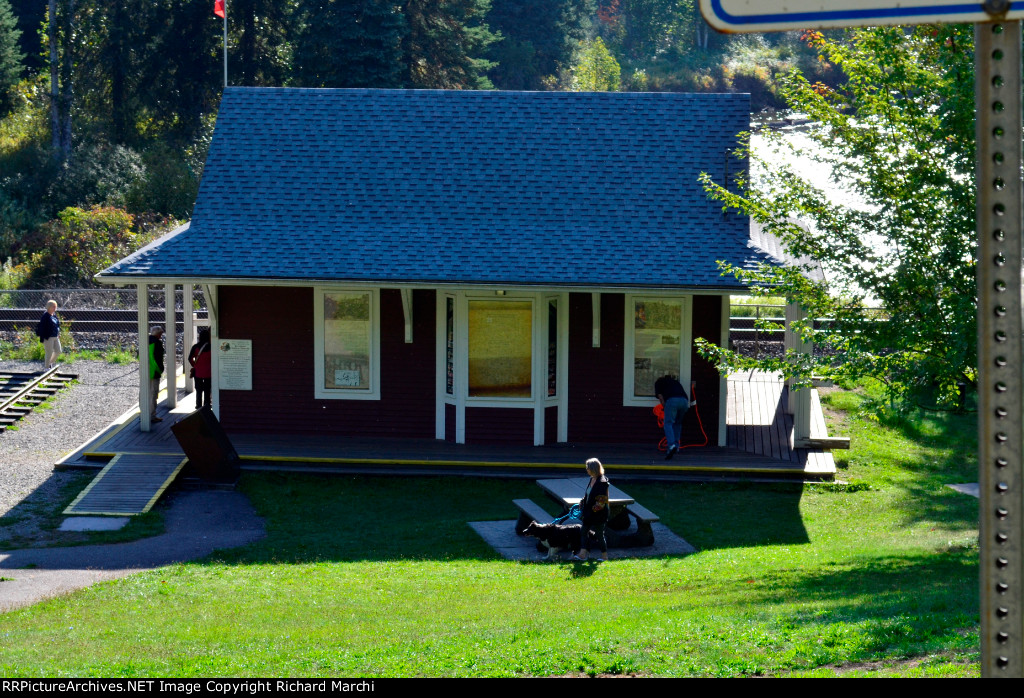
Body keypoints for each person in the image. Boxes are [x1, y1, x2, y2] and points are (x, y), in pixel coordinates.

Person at [573, 458, 610, 563]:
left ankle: (604, 556)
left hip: (599, 514)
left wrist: (590, 511)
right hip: (589, 513)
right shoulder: (592, 479)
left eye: (588, 468)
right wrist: (582, 501)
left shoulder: (602, 482)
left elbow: (601, 502)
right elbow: (589, 494)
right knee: (583, 531)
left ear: (593, 469)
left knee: (599, 534)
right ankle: (583, 554)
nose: (586, 470)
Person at [655, 374, 690, 460]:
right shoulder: (675, 382)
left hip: (672, 401)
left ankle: (671, 446)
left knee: (668, 423)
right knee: (678, 423)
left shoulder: (658, 382)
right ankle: (676, 446)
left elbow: (661, 397)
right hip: (684, 401)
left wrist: (665, 408)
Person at [188, 328, 212, 411]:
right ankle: (207, 405)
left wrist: (195, 365)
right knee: (207, 389)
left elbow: (190, 358)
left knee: (198, 389)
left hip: (198, 372)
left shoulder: (195, 347)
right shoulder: (211, 347)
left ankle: (198, 406)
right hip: (209, 372)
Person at [36, 300, 61, 369]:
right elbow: (42, 328)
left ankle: (50, 363)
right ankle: (46, 367)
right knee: (49, 353)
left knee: (58, 351)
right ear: (49, 307)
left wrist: (58, 333)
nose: (55, 308)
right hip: (48, 337)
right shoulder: (45, 316)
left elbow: (57, 325)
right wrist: (42, 338)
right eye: (53, 306)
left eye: (55, 306)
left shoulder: (54, 315)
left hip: (55, 336)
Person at [147, 326, 165, 423]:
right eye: (161, 333)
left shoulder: (145, 340)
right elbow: (158, 359)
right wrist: (160, 369)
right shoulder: (157, 343)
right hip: (154, 372)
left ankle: (144, 414)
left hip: (145, 371)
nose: (161, 335)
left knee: (145, 393)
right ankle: (152, 416)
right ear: (158, 334)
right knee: (153, 395)